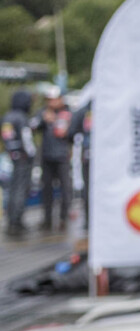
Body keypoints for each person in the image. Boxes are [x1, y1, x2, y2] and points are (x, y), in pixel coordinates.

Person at [30, 86, 72, 232]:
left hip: (62, 157)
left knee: (66, 188)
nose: (51, 102)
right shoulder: (43, 112)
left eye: (54, 99)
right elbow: (32, 126)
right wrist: (43, 119)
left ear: (60, 99)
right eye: (49, 99)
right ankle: (47, 219)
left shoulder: (68, 113)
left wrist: (59, 125)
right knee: (46, 188)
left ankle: (63, 218)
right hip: (47, 156)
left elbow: (73, 132)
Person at [1, 90, 36, 236]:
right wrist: (31, 155)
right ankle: (16, 221)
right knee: (20, 189)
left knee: (12, 189)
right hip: (22, 158)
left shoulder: (7, 117)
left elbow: (6, 138)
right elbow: (27, 140)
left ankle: (11, 219)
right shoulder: (22, 118)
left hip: (11, 157)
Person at [69, 99, 93, 230]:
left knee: (88, 188)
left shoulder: (83, 111)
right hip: (105, 156)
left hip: (88, 154)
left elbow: (71, 132)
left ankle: (89, 221)